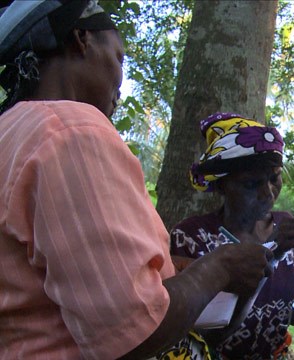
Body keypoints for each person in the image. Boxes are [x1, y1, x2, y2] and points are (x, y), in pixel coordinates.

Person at [0, 1, 272, 359]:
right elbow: (131, 330)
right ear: (82, 40)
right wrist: (220, 268)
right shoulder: (72, 132)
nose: (120, 84)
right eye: (119, 58)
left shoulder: (12, 132)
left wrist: (173, 272)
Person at [170, 112, 294, 359]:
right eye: (251, 184)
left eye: (274, 178)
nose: (268, 193)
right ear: (221, 186)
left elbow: (288, 306)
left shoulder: (285, 224)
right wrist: (272, 251)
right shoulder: (191, 238)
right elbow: (212, 336)